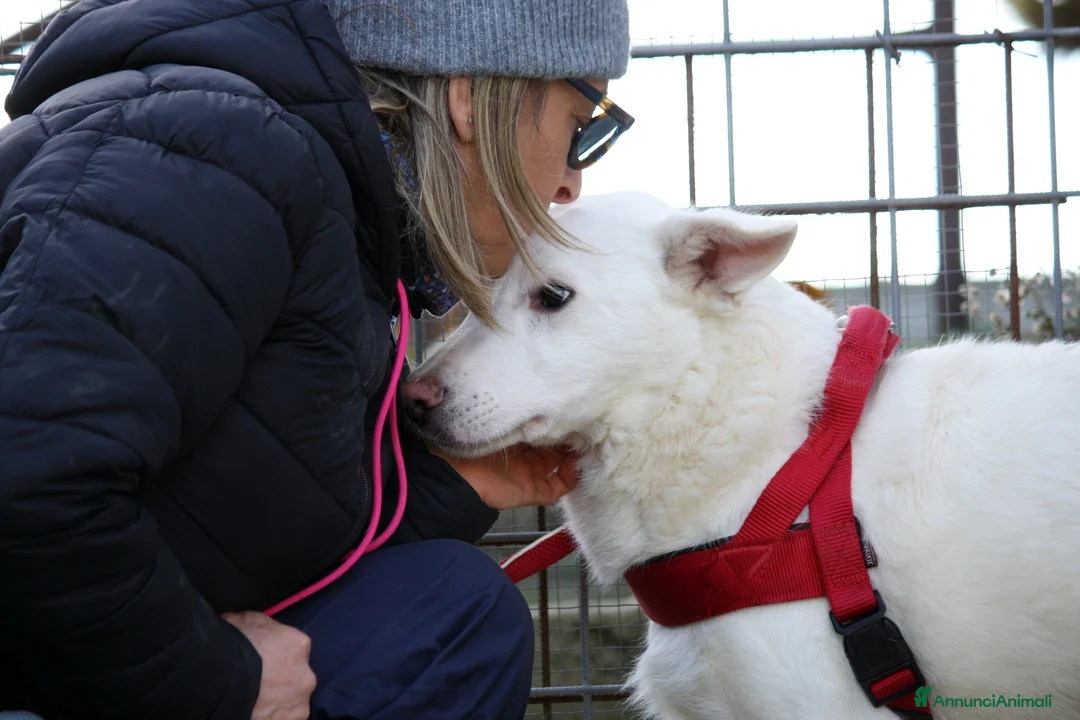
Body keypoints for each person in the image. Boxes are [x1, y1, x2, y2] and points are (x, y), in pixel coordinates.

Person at [0, 0, 634, 718]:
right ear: (467, 96)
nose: (569, 184)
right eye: (582, 129)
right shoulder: (216, 151)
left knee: (450, 609)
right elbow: (26, 479)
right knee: (455, 617)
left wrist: (449, 486)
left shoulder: (325, 205)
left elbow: (220, 517)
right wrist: (215, 685)